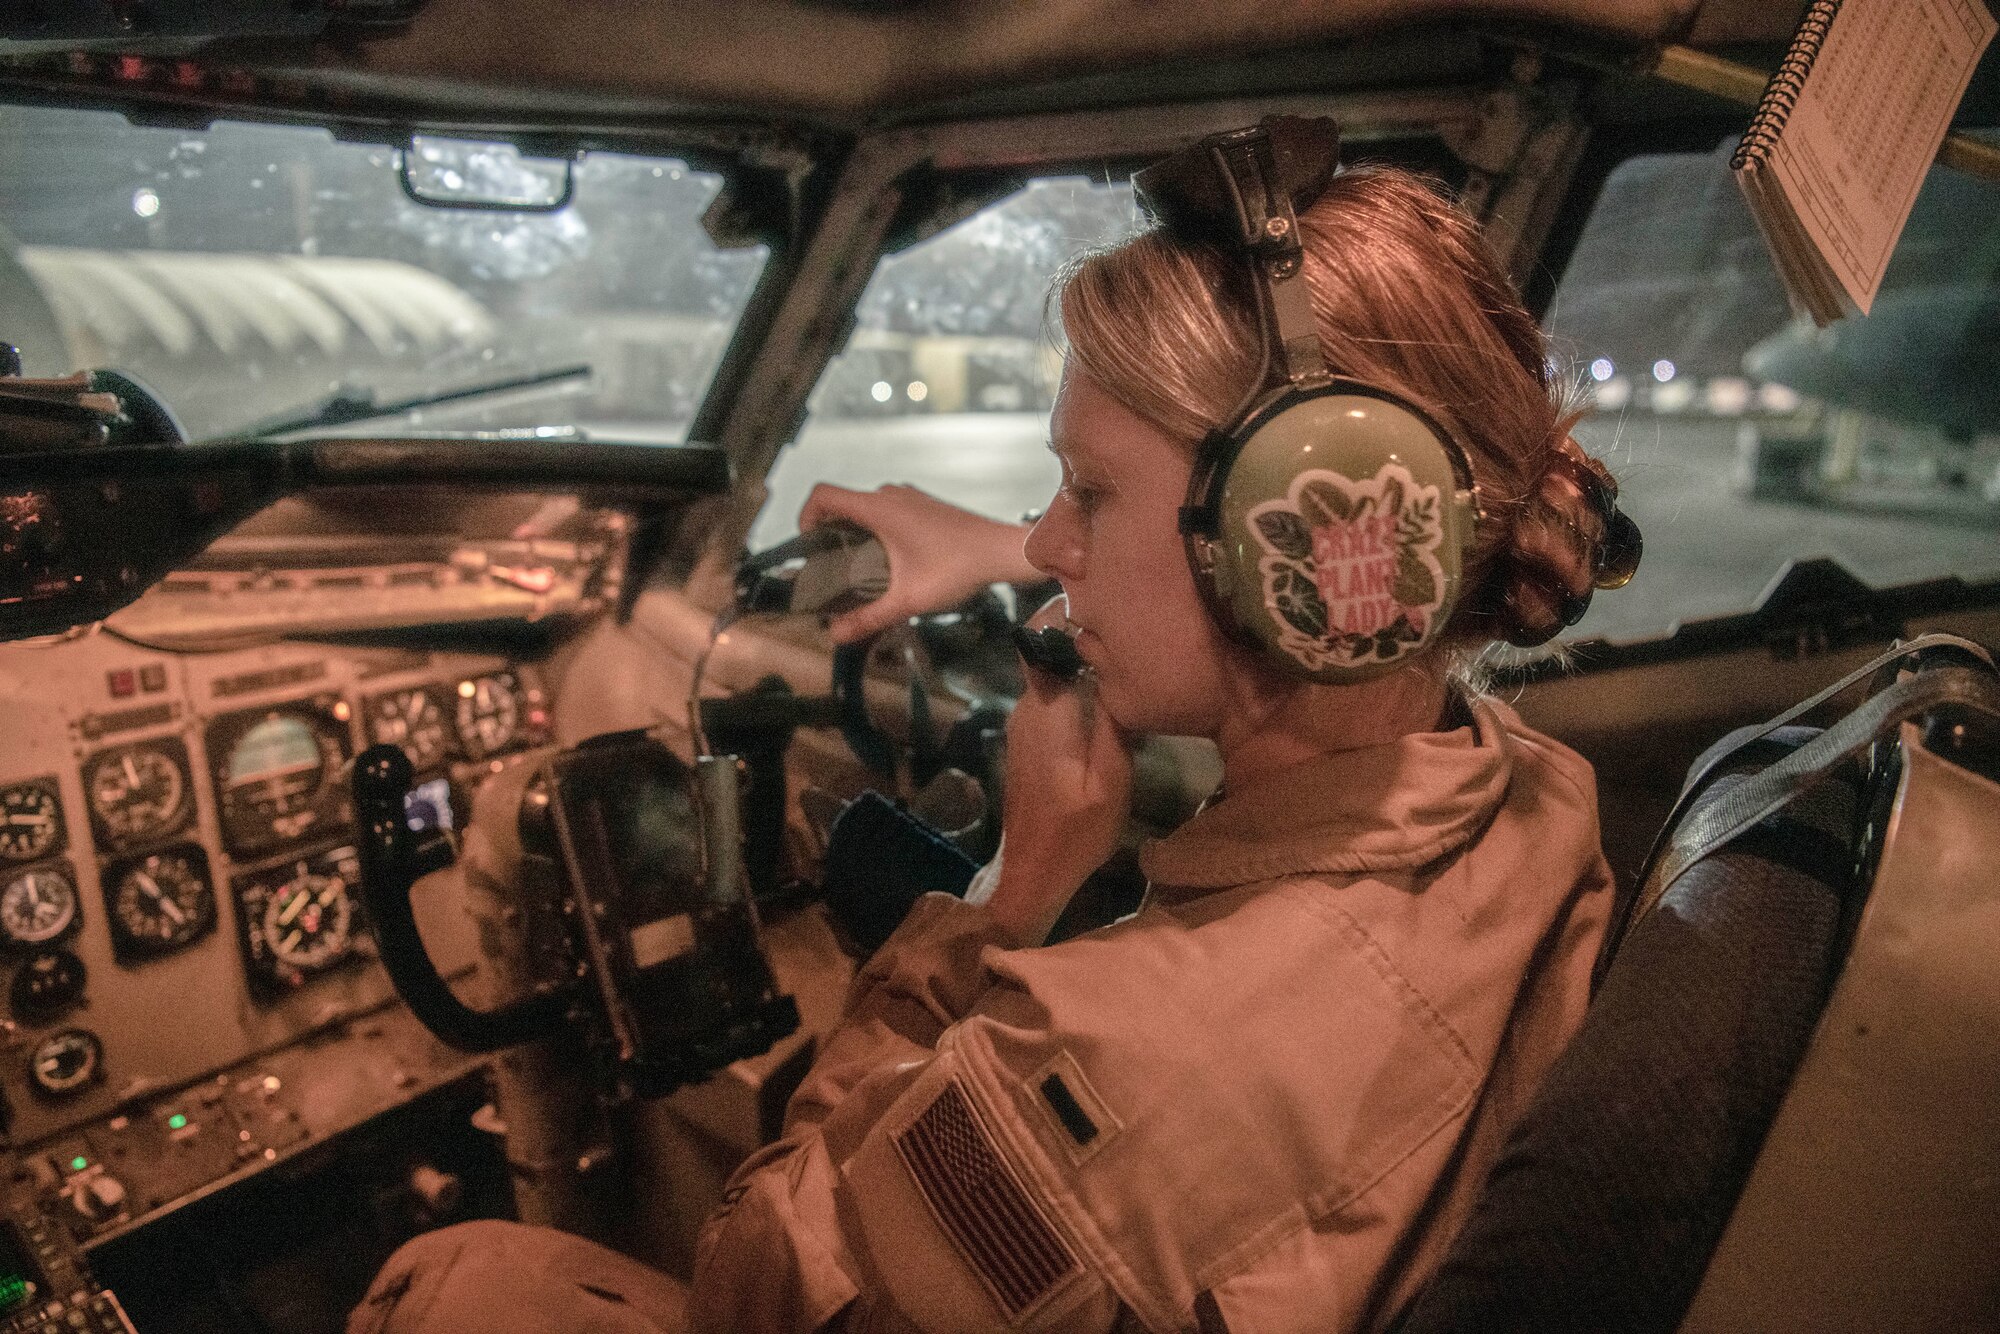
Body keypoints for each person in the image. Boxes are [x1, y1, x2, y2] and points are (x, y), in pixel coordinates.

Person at [351, 134, 1631, 1334]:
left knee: (450, 1278)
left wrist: (1005, 895)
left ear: (1277, 542)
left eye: (1089, 492)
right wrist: (988, 541)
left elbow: (755, 1277)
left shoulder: (1123, 1055)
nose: (1048, 545)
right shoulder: (1530, 791)